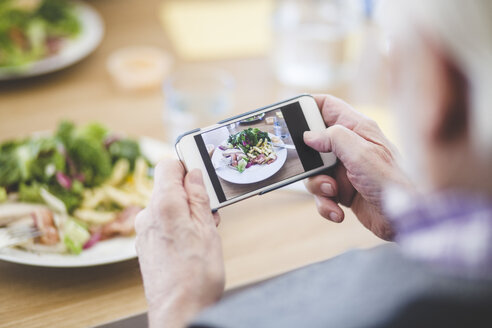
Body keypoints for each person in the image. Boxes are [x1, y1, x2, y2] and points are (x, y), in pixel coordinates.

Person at [135, 1, 492, 327]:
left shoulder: (365, 308)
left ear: (440, 87)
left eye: (395, 60)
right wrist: (407, 210)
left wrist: (175, 303)